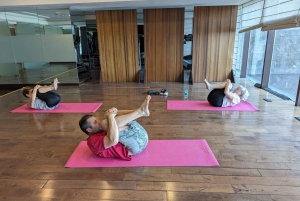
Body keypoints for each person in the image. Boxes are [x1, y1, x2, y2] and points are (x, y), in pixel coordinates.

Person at [79, 95, 151, 161]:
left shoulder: (98, 131)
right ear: (89, 130)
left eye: (97, 120)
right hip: (137, 144)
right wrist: (111, 117)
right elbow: (113, 141)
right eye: (95, 122)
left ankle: (140, 111)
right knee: (105, 122)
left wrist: (113, 113)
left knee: (107, 117)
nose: (99, 122)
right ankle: (141, 112)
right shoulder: (92, 141)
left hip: (137, 135)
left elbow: (116, 130)